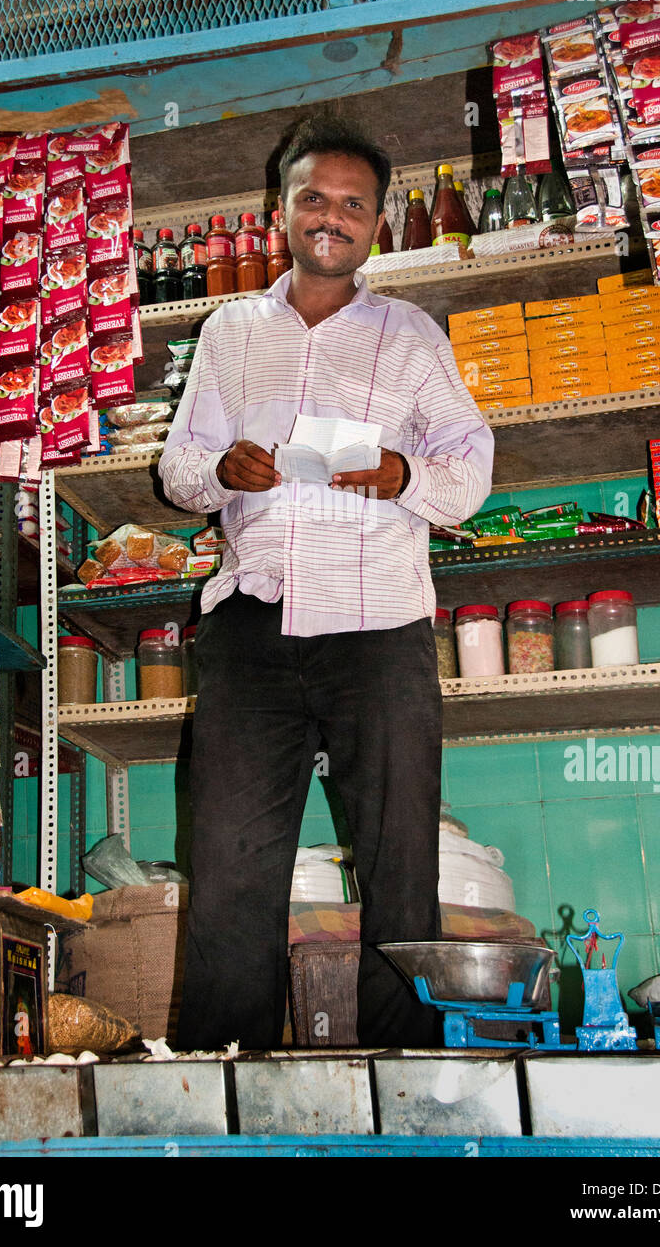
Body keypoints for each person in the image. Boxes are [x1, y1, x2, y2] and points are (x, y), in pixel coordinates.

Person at [158, 115, 494, 1050]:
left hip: (378, 624)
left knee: (398, 867)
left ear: (377, 225)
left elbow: (469, 472)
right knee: (229, 871)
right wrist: (224, 470)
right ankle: (223, 1080)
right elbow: (177, 469)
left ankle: (400, 1072)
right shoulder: (229, 332)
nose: (331, 217)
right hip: (253, 625)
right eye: (313, 198)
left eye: (353, 205)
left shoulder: (412, 337)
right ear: (281, 213)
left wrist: (402, 477)